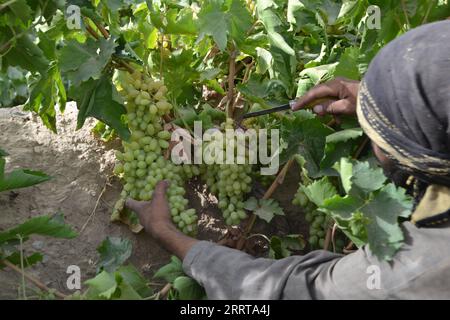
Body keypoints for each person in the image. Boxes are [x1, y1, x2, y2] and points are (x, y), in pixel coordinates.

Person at [126, 21, 450, 299]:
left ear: (419, 153)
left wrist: (165, 231)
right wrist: (376, 98)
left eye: (379, 127)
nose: (371, 128)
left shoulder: (416, 268)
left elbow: (281, 292)